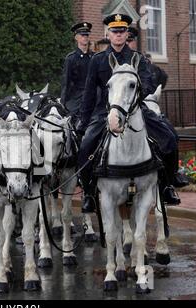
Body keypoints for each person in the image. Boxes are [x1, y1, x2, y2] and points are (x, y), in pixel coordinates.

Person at [76, 13, 182, 213]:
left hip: (135, 109)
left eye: (122, 31)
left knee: (169, 136)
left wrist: (137, 93)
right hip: (104, 111)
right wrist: (83, 120)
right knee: (85, 146)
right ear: (108, 33)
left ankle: (168, 184)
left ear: (127, 34)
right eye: (115, 31)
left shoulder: (137, 58)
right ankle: (89, 193)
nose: (118, 35)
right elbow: (89, 92)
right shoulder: (98, 60)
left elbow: (150, 82)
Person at [61, 22, 94, 125]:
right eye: (82, 35)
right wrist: (63, 103)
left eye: (87, 35)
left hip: (93, 98)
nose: (85, 37)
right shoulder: (71, 59)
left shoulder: (95, 57)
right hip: (76, 100)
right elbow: (66, 83)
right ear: (76, 37)